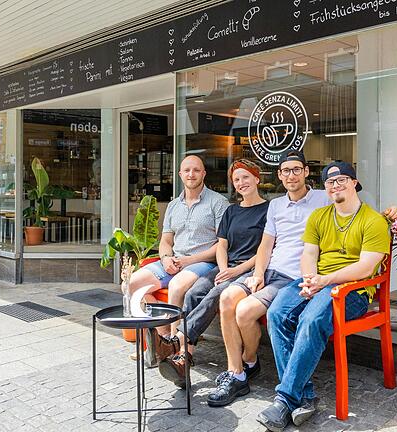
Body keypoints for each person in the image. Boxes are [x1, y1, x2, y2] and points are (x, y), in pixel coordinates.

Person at [257, 162, 391, 431]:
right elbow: (308, 255)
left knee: (311, 317)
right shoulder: (319, 216)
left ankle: (285, 399)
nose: (335, 186)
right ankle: (304, 396)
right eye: (330, 182)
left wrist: (323, 282)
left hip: (352, 290)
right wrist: (309, 280)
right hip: (317, 282)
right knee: (276, 312)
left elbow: (366, 268)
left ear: (354, 182)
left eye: (341, 180)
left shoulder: (373, 221)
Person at [205, 150, 331, 406]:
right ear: (279, 176)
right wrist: (258, 273)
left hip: (292, 278)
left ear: (306, 172)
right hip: (268, 271)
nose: (291, 175)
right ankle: (237, 372)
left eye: (297, 170)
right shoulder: (276, 205)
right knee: (228, 297)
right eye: (286, 171)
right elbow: (265, 245)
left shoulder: (323, 197)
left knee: (244, 312)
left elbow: (353, 203)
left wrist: (390, 213)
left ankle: (249, 362)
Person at [158, 159, 269, 388]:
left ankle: (178, 340)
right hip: (227, 267)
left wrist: (235, 270)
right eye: (236, 179)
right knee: (195, 292)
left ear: (257, 178)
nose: (241, 183)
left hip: (248, 270)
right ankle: (183, 358)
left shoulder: (269, 210)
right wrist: (225, 268)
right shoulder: (232, 211)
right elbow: (221, 245)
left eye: (245, 177)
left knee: (216, 293)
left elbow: (266, 250)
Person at [126, 155, 229, 367]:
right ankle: (160, 339)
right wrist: (165, 258)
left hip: (204, 262)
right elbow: (165, 241)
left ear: (204, 174)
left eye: (196, 170)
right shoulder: (174, 206)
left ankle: (176, 350)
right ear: (180, 174)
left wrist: (189, 260)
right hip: (173, 261)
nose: (191, 174)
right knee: (132, 284)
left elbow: (222, 244)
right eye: (187, 170)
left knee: (176, 286)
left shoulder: (218, 203)